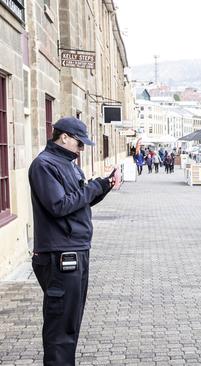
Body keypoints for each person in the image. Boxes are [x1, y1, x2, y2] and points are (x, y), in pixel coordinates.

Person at [29, 117, 116, 366]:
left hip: (76, 250)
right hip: (60, 255)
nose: (81, 149)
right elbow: (58, 206)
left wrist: (103, 187)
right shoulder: (44, 165)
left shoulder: (70, 165)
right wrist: (93, 187)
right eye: (79, 144)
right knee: (60, 329)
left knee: (70, 323)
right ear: (64, 137)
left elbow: (78, 204)